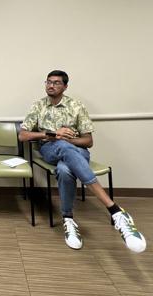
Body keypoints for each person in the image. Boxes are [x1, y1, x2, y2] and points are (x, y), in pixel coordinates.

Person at [19, 70, 146, 253]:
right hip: (49, 149)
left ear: (65, 86)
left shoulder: (76, 106)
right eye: (48, 82)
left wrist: (67, 140)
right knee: (62, 146)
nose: (51, 85)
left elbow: (88, 141)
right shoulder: (38, 106)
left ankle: (68, 220)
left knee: (64, 169)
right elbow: (22, 135)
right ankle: (115, 210)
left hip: (78, 150)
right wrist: (53, 134)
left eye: (56, 82)